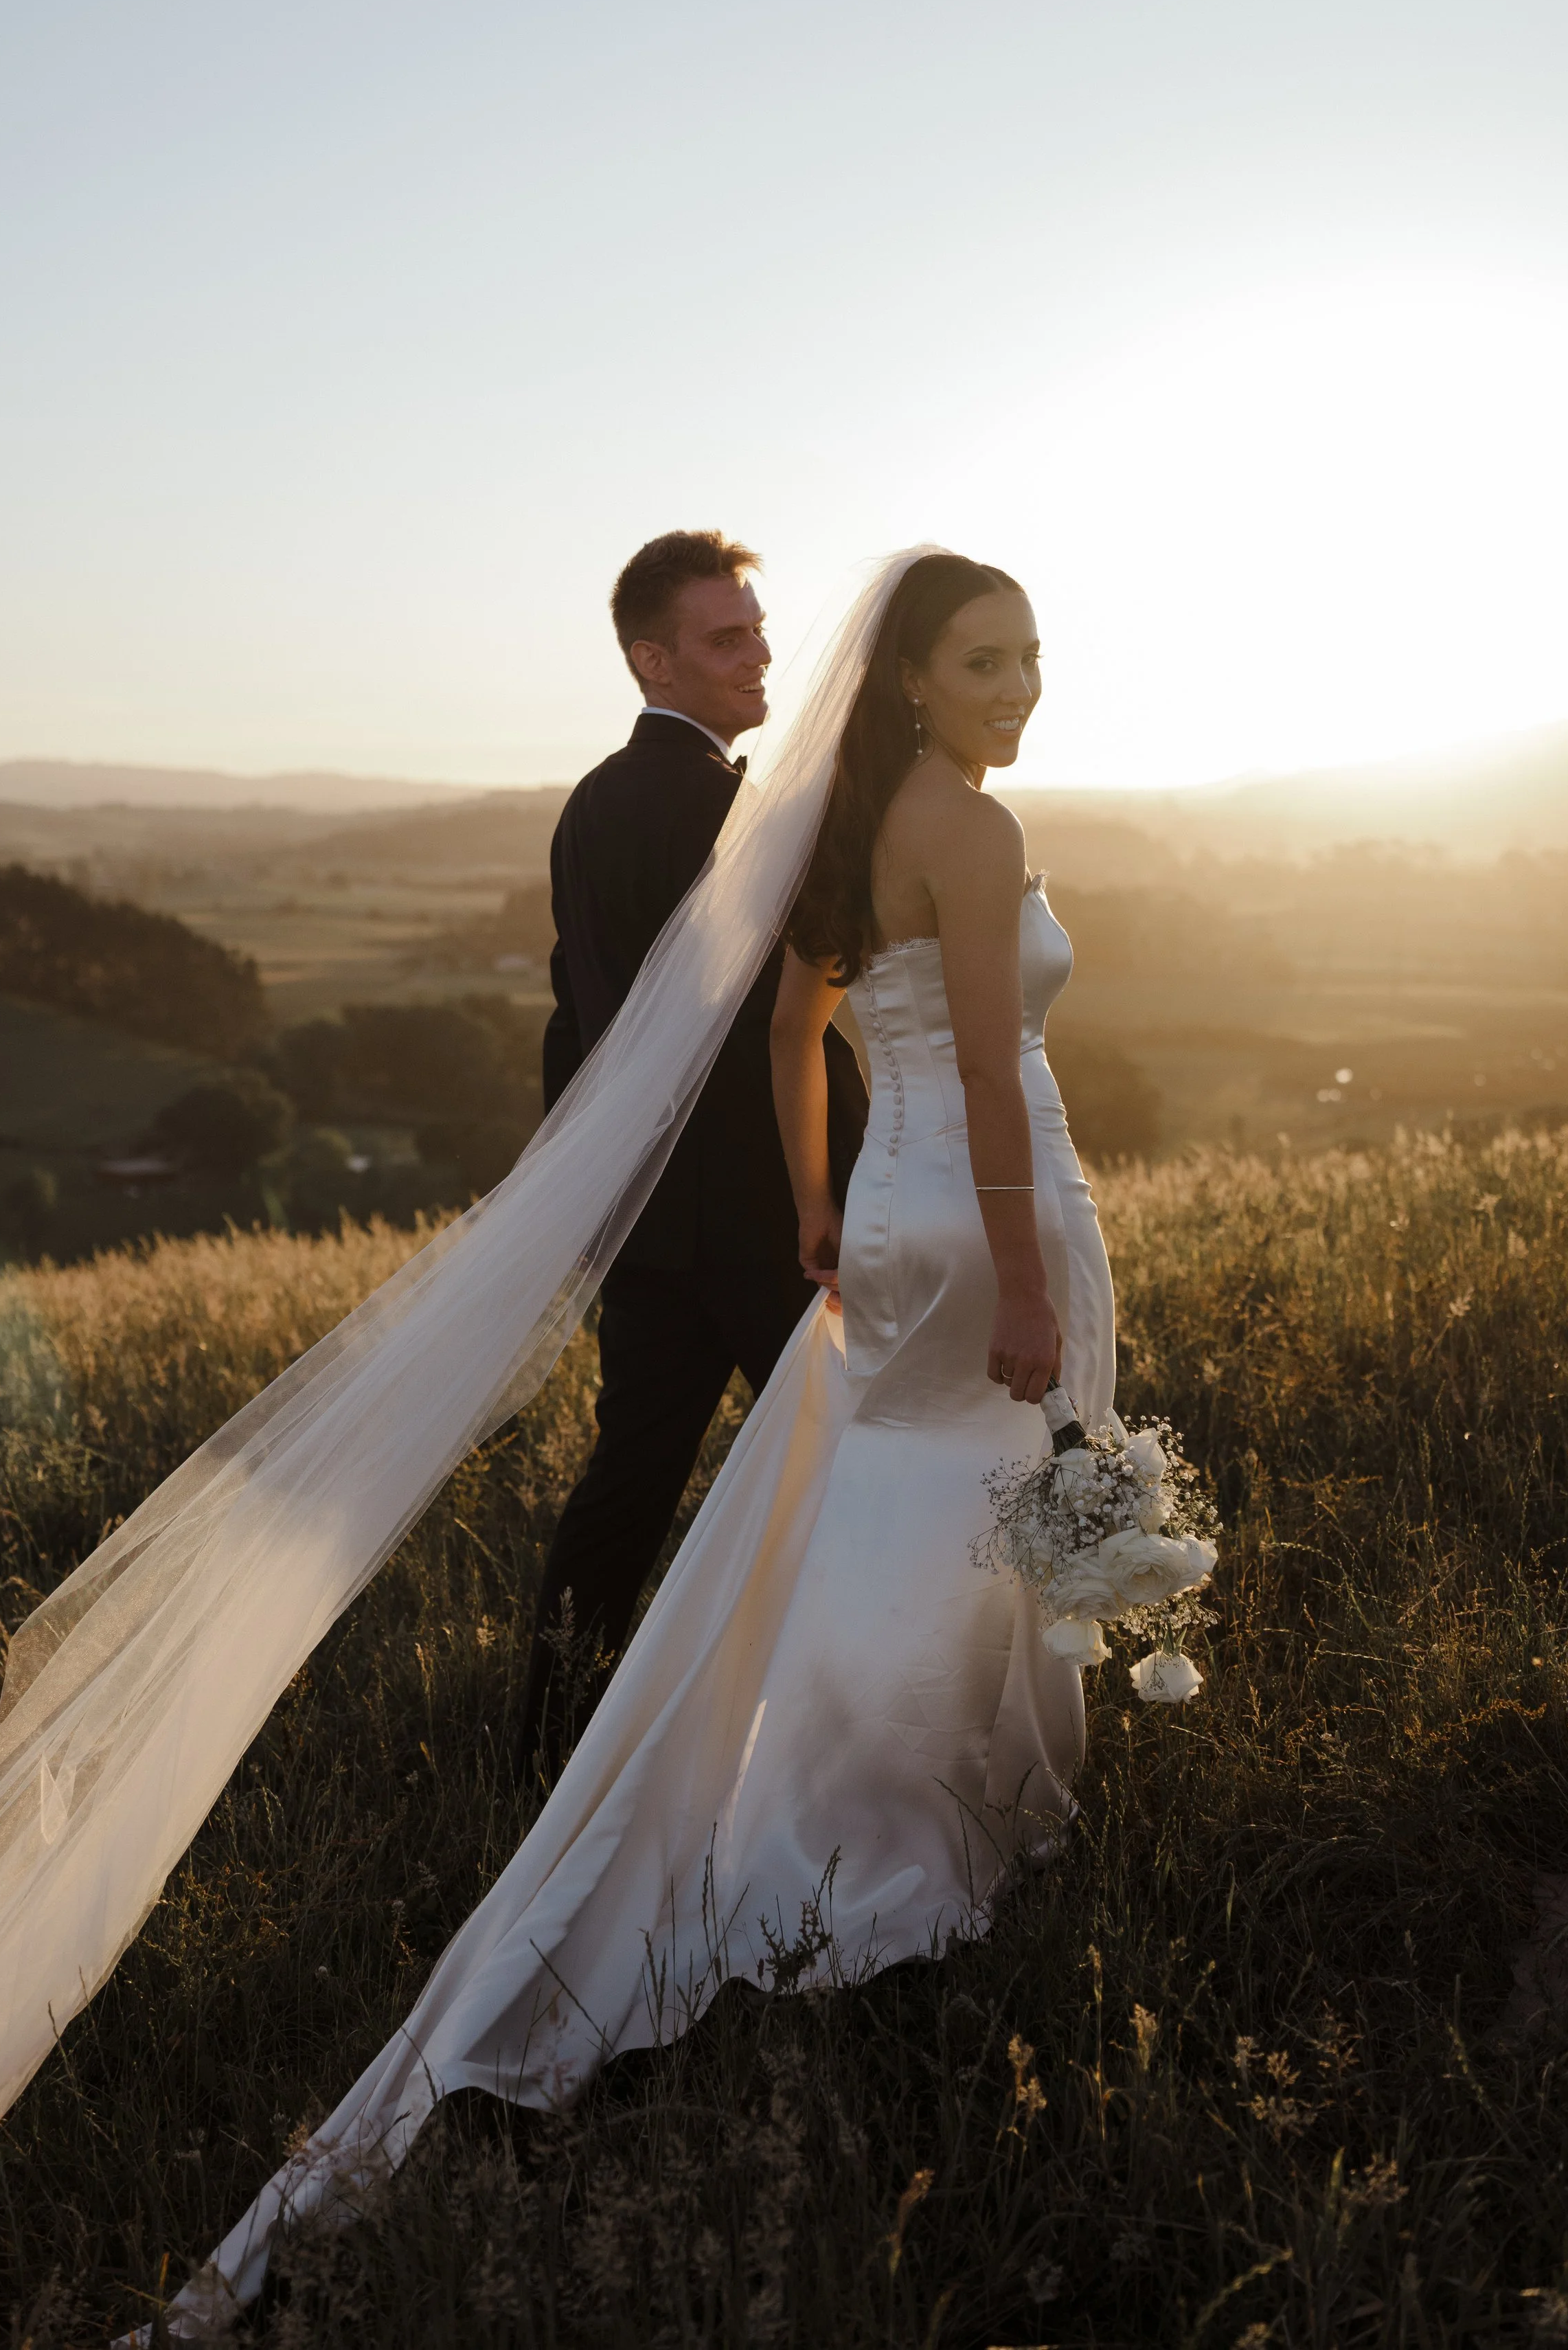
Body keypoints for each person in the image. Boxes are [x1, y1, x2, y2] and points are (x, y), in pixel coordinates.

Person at [153, 550, 1120, 2331]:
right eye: (989, 657)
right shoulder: (942, 831)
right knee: (919, 1515)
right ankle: (875, 1832)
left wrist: (828, 1210)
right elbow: (968, 1070)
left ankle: (857, 1784)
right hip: (937, 1220)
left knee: (882, 1509)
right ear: (914, 671)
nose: (1025, 685)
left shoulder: (820, 817)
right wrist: (1010, 1276)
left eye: (1036, 655)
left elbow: (777, 1020)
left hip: (868, 1217)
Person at [521, 530, 867, 1775]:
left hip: (653, 1212)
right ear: (649, 659)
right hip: (769, 1205)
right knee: (848, 1464)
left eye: (759, 631)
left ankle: (547, 1737)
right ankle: (830, 1734)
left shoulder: (591, 805)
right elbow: (793, 1028)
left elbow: (579, 1020)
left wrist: (611, 1175)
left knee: (631, 1480)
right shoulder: (738, 813)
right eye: (727, 640)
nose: (759, 656)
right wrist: (842, 1179)